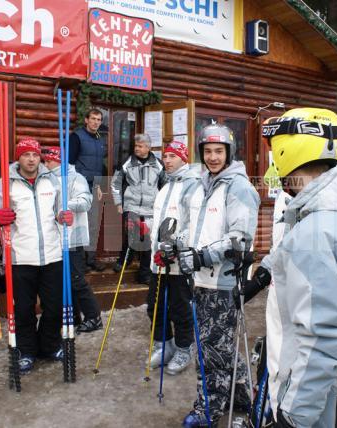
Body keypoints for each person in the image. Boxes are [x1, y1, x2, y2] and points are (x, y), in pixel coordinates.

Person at [241, 108, 337, 427]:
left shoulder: (319, 230)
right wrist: (264, 274)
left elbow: (320, 337)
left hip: (327, 403)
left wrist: (295, 417)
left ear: (286, 151)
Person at [176, 124, 260, 427]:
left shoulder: (238, 187)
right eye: (208, 151)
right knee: (217, 343)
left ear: (229, 153)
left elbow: (240, 237)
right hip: (197, 279)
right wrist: (177, 246)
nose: (212, 157)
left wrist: (202, 256)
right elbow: (188, 227)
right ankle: (241, 394)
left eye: (218, 151)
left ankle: (207, 408)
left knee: (211, 349)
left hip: (223, 279)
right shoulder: (197, 185)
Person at [0, 139, 72, 374]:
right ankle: (26, 350)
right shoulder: (6, 184)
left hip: (52, 256)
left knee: (54, 308)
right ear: (18, 158)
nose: (31, 159)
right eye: (26, 155)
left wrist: (64, 216)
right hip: (20, 258)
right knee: (23, 309)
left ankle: (49, 346)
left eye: (35, 154)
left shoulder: (52, 180)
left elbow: (60, 211)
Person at [148, 141, 200, 375]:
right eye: (165, 156)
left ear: (184, 158)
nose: (167, 160)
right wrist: (145, 227)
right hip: (157, 260)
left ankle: (183, 348)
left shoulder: (192, 185)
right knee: (155, 306)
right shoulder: (165, 184)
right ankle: (164, 345)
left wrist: (175, 246)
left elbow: (193, 225)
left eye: (172, 156)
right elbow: (161, 220)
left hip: (177, 261)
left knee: (180, 308)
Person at [42, 146, 103, 334]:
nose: (45, 164)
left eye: (48, 161)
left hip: (72, 236)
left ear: (58, 160)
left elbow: (86, 200)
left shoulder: (75, 178)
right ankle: (73, 317)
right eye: (44, 161)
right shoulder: (45, 178)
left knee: (76, 280)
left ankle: (94, 317)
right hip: (54, 238)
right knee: (63, 281)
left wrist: (64, 206)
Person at [110, 134, 166, 284]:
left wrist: (162, 206)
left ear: (148, 147)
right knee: (131, 234)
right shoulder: (127, 163)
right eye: (136, 146)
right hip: (132, 206)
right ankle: (124, 260)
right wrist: (118, 203)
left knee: (148, 240)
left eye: (140, 146)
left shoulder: (158, 164)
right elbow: (115, 183)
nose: (137, 148)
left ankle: (144, 273)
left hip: (150, 209)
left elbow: (165, 186)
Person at [69, 108, 107, 272]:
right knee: (79, 223)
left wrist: (99, 185)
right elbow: (69, 163)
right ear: (86, 120)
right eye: (93, 119)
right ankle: (79, 262)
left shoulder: (100, 139)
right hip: (79, 187)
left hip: (94, 186)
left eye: (99, 120)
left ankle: (91, 259)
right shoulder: (76, 137)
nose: (96, 122)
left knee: (92, 224)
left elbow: (99, 166)